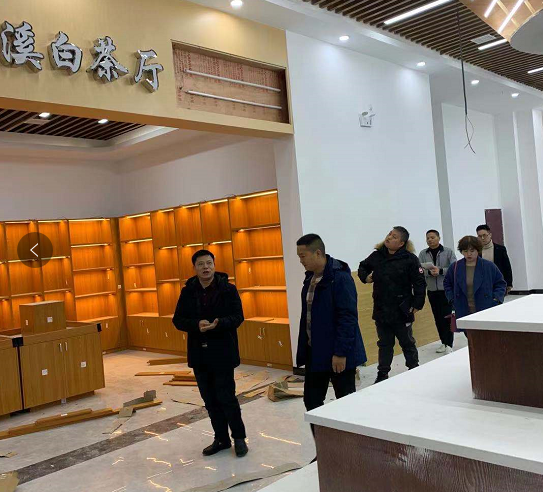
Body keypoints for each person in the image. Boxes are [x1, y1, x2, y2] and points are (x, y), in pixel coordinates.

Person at [172, 249, 248, 458]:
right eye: (201, 264)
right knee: (210, 400)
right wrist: (196, 324)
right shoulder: (188, 292)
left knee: (227, 398)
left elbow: (238, 317)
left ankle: (239, 437)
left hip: (222, 351)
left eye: (209, 263)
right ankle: (221, 439)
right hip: (199, 354)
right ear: (194, 268)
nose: (205, 267)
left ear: (214, 265)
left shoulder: (228, 289)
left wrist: (219, 323)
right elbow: (178, 320)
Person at [296, 234, 367, 417]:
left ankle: (346, 436)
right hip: (315, 352)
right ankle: (323, 436)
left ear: (318, 253)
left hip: (338, 354)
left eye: (303, 256)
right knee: (312, 401)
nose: (300, 261)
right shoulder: (310, 279)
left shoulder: (340, 278)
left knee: (345, 402)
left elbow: (348, 318)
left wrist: (340, 353)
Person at [358, 227, 426, 384]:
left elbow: (419, 283)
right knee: (384, 344)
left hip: (402, 309)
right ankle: (382, 374)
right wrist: (365, 277)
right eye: (389, 234)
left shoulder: (410, 259)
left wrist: (417, 304)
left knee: (407, 343)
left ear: (401, 243)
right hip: (381, 309)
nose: (389, 237)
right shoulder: (377, 255)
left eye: (394, 237)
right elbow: (363, 266)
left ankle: (414, 369)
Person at [444, 236, 506, 323]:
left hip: (485, 306)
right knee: (467, 330)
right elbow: (447, 283)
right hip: (462, 308)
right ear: (461, 251)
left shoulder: (488, 266)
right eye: (465, 251)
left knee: (485, 330)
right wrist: (452, 299)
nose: (469, 254)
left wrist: (496, 299)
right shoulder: (455, 267)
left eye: (472, 251)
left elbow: (500, 283)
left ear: (478, 250)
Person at [418, 230, 456, 354]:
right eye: (428, 238)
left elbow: (454, 268)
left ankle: (449, 343)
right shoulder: (423, 253)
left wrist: (440, 271)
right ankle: (443, 342)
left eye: (432, 237)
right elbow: (419, 270)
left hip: (446, 290)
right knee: (437, 317)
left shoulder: (448, 252)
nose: (430, 240)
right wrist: (429, 272)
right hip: (432, 290)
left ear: (439, 238)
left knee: (447, 317)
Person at [476, 224, 513, 294]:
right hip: (482, 285)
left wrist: (509, 283)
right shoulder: (476, 251)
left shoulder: (500, 249)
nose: (482, 238)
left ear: (490, 235)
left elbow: (507, 267)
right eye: (480, 236)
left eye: (484, 235)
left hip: (498, 283)